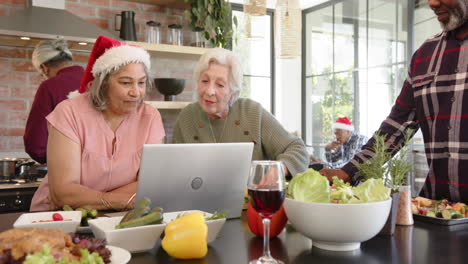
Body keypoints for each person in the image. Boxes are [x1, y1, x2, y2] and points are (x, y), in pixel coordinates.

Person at [320, 0, 468, 202]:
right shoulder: (425, 54)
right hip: (437, 209)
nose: (432, 2)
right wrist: (348, 172)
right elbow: (397, 126)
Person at [30, 35, 165, 211]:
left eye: (141, 83)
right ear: (103, 84)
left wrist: (94, 200)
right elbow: (63, 193)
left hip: (117, 219)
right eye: (126, 83)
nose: (136, 92)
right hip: (59, 218)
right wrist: (117, 201)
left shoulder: (150, 117)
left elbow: (151, 183)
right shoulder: (70, 112)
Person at [172, 48, 309, 179]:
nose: (209, 91)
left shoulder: (252, 113)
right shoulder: (187, 117)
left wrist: (279, 169)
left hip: (250, 200)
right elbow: (175, 169)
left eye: (220, 85)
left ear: (233, 92)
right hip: (200, 202)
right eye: (205, 81)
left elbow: (298, 149)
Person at [23, 39, 84, 164]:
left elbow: (36, 144)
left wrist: (47, 159)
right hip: (104, 170)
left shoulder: (50, 86)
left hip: (66, 166)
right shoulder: (96, 81)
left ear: (44, 68)